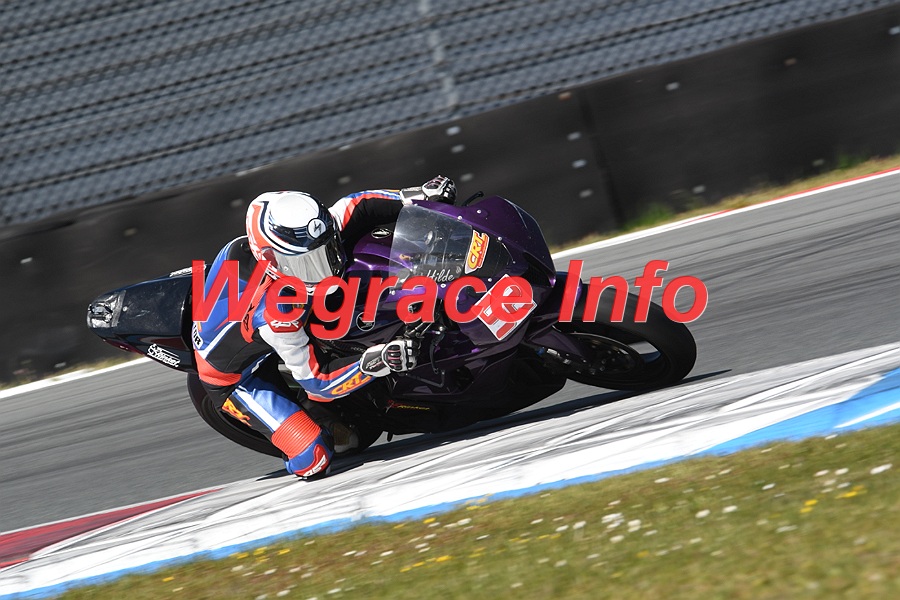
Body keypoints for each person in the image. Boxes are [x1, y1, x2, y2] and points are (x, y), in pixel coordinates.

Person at [192, 176, 457, 479]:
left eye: (325, 251)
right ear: (271, 260)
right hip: (236, 379)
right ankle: (313, 426)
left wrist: (416, 194)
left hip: (247, 306)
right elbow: (317, 382)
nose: (324, 271)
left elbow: (357, 205)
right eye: (307, 263)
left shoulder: (301, 238)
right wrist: (377, 361)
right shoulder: (276, 314)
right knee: (313, 458)